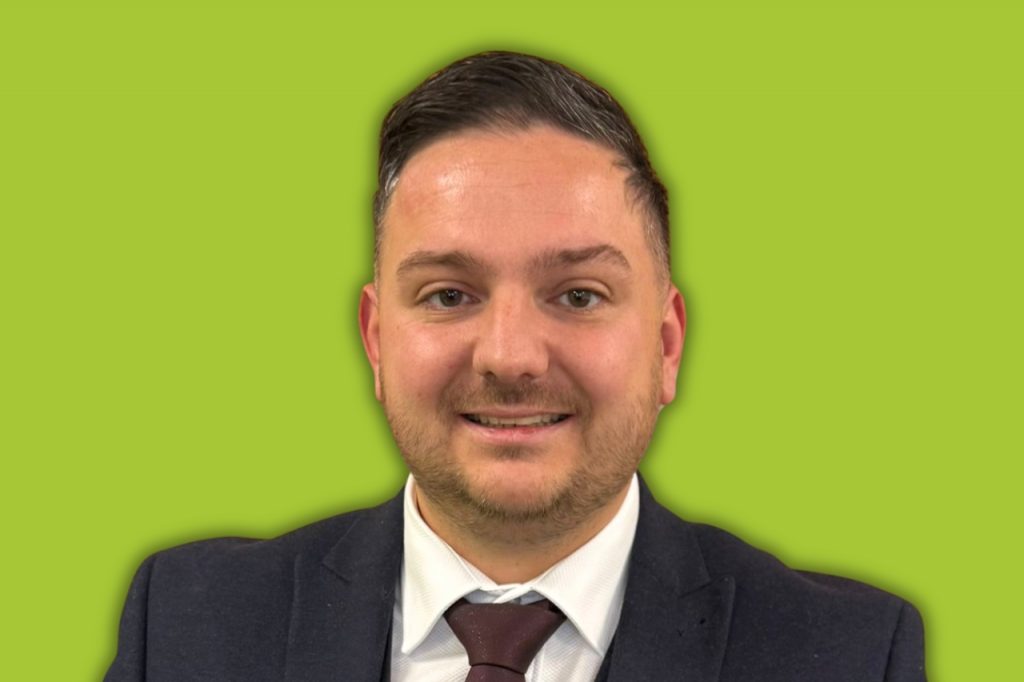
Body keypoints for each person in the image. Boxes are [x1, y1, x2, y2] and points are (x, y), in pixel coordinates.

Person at [105, 51, 926, 681]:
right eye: (448, 294)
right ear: (377, 340)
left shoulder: (850, 655)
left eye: (578, 295)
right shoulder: (185, 628)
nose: (510, 357)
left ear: (667, 345)